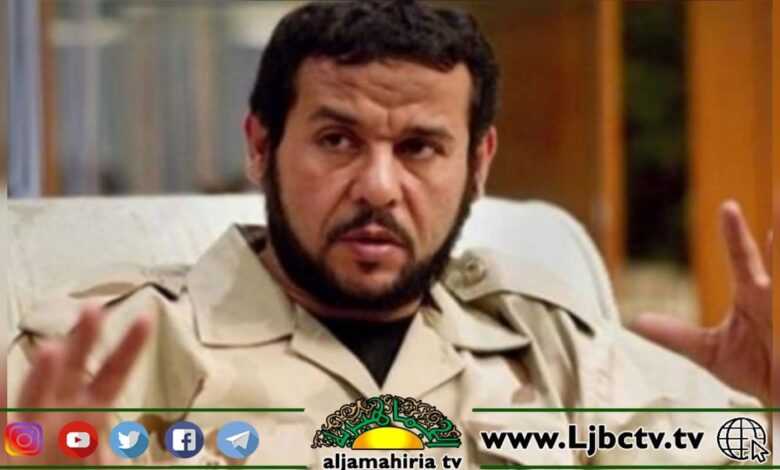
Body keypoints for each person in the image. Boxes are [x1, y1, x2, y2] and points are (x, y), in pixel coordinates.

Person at [5, 0, 774, 466]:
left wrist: (769, 408)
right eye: (337, 140)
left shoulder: (558, 357)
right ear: (261, 146)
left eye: (419, 148)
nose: (378, 187)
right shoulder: (97, 357)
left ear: (478, 163)